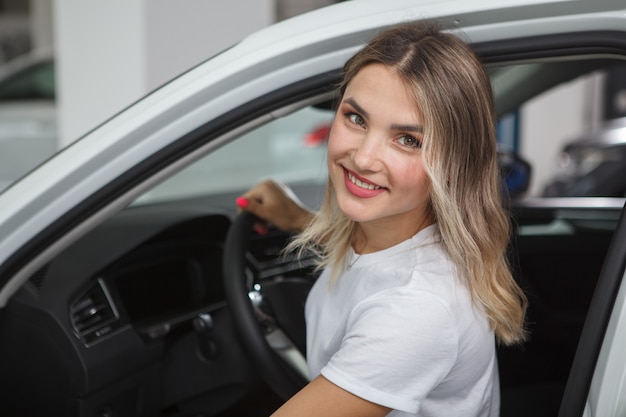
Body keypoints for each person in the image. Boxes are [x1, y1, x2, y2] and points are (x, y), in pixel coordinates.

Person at [235, 20, 527, 417]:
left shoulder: (416, 311)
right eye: (356, 118)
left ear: (453, 165)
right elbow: (373, 266)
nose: (364, 157)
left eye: (408, 140)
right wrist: (298, 219)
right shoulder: (391, 235)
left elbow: (395, 294)